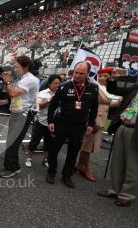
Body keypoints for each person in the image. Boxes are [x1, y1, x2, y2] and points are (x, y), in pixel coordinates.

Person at [46, 61, 98, 188]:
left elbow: (94, 108)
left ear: (87, 74)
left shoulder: (93, 88)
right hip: (61, 123)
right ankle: (51, 171)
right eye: (76, 72)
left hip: (79, 126)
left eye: (81, 73)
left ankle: (67, 175)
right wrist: (51, 121)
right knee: (54, 149)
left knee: (73, 152)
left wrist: (91, 124)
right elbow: (52, 105)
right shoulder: (64, 86)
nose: (78, 75)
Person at [97, 74, 138, 207]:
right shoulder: (135, 87)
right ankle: (115, 189)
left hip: (135, 130)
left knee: (132, 164)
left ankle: (126, 195)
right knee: (117, 161)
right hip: (123, 125)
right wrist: (112, 79)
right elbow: (115, 90)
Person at [76, 68, 122, 182]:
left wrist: (120, 101)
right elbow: (91, 105)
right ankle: (86, 168)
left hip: (101, 119)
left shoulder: (107, 89)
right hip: (95, 120)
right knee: (88, 146)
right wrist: (93, 122)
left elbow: (107, 105)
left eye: (105, 76)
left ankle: (79, 165)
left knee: (89, 145)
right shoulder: (95, 87)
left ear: (111, 77)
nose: (101, 78)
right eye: (100, 76)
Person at [0, 55, 39, 178]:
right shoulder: (23, 78)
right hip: (17, 111)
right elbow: (13, 94)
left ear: (25, 67)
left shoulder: (31, 79)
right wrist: (8, 82)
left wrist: (7, 81)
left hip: (24, 113)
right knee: (11, 139)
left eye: (17, 66)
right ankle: (12, 165)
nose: (14, 68)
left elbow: (12, 92)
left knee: (13, 141)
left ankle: (12, 168)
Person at [25, 75, 62, 168]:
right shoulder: (42, 93)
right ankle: (29, 158)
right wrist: (49, 100)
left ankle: (45, 159)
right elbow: (38, 106)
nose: (57, 85)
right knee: (34, 141)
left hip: (53, 123)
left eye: (59, 83)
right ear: (49, 83)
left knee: (49, 143)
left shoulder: (61, 93)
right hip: (40, 121)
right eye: (55, 83)